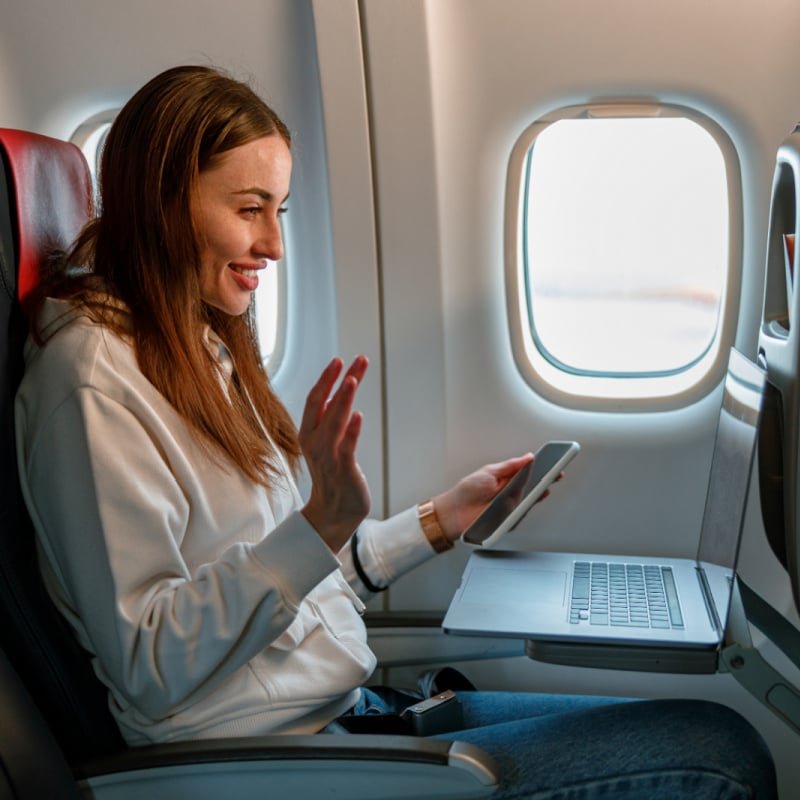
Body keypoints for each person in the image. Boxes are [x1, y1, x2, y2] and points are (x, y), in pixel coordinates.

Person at [14, 66, 777, 798]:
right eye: (249, 209)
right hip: (262, 761)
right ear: (160, 203)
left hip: (342, 719)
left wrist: (438, 522)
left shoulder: (192, 344)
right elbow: (150, 661)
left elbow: (281, 589)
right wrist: (316, 526)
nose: (274, 246)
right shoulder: (91, 386)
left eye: (279, 211)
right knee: (721, 759)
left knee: (712, 727)